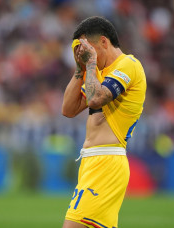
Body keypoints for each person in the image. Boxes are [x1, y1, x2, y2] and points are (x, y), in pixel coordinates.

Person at [61, 16, 147, 228]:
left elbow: (96, 99)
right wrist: (81, 69)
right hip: (91, 162)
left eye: (87, 49)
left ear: (103, 41)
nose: (85, 54)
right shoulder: (96, 74)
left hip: (107, 161)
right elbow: (68, 109)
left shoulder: (129, 65)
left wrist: (90, 64)